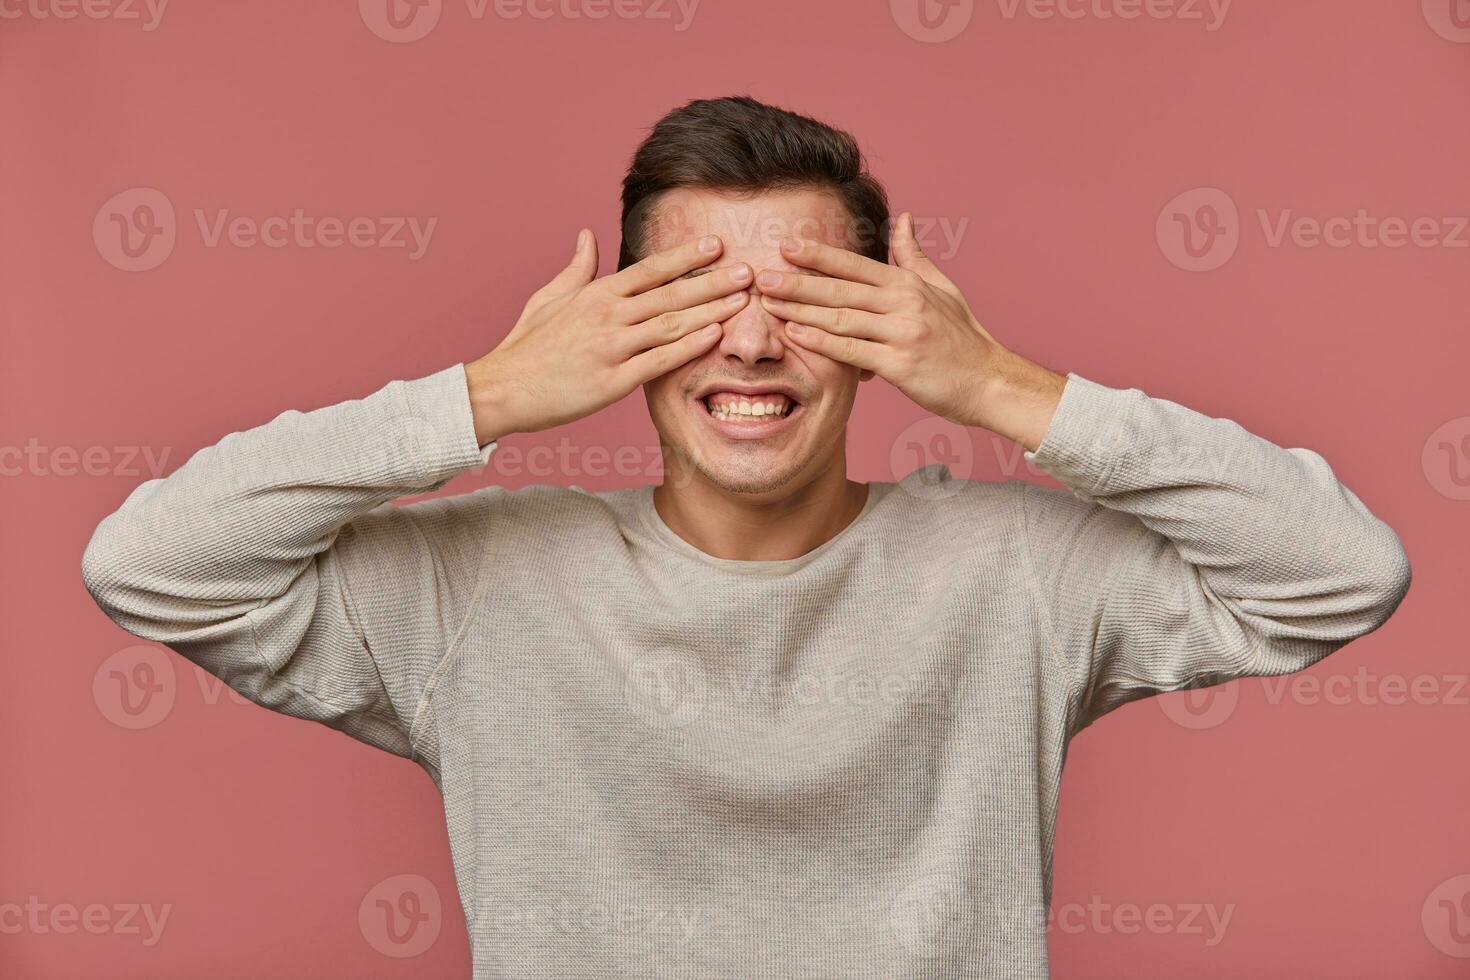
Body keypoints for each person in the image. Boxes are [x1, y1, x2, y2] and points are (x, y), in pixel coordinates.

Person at [81, 95, 1411, 978]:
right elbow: (147, 563)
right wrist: (485, 396)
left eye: (806, 298)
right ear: (621, 330)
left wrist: (1002, 385)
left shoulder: (1017, 573)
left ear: (887, 327)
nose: (755, 342)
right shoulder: (475, 587)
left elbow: (1341, 574)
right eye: (695, 298)